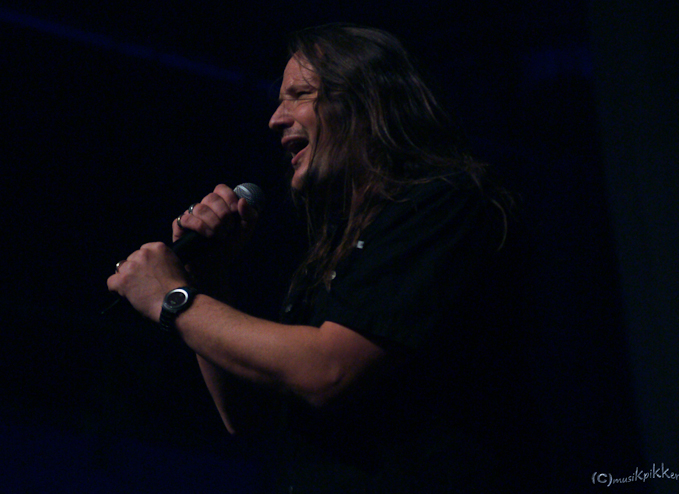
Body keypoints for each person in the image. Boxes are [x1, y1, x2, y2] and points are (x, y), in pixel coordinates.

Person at [108, 24, 546, 493]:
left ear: (367, 102)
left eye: (299, 95)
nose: (275, 119)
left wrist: (173, 300)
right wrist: (209, 276)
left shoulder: (443, 204)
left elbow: (329, 372)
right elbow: (248, 416)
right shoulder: (333, 246)